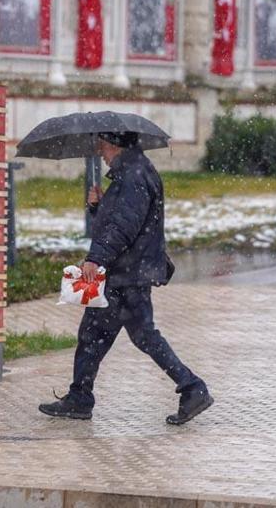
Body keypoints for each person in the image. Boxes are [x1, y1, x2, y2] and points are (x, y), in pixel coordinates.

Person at [38, 131, 213, 425]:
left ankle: (191, 387)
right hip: (129, 272)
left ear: (115, 145)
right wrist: (99, 205)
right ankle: (82, 396)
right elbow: (122, 219)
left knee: (123, 336)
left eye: (103, 146)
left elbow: (123, 226)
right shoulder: (133, 173)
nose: (101, 152)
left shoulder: (132, 177)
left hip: (126, 274)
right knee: (106, 335)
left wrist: (96, 259)